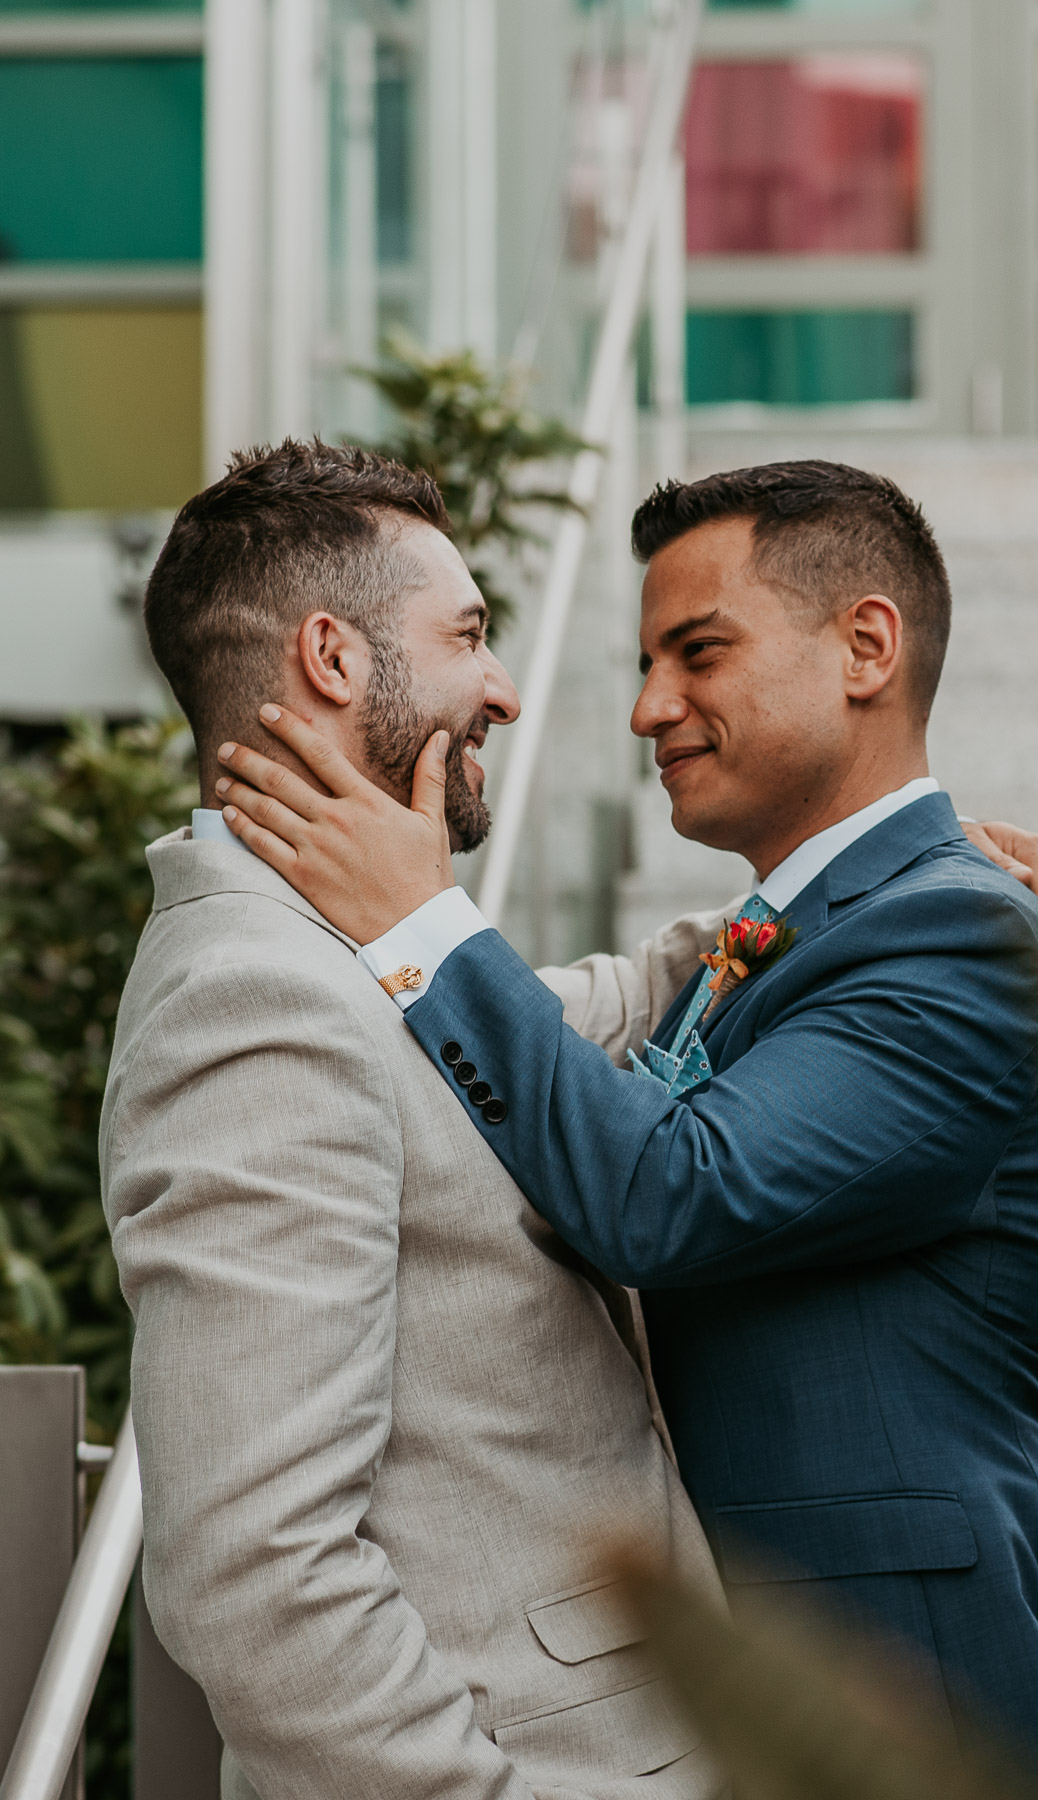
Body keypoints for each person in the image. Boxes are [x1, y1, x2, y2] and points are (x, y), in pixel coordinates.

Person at [216, 459, 1038, 1800]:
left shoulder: (961, 935)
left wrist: (420, 922)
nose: (651, 706)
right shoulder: (811, 936)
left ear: (865, 647)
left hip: (910, 1667)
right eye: (646, 661)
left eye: (696, 653)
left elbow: (665, 1193)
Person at [100, 441, 731, 1800]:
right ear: (332, 657)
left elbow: (555, 1018)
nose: (501, 688)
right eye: (468, 635)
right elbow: (254, 1572)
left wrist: (832, 905)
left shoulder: (343, 955)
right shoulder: (251, 1004)